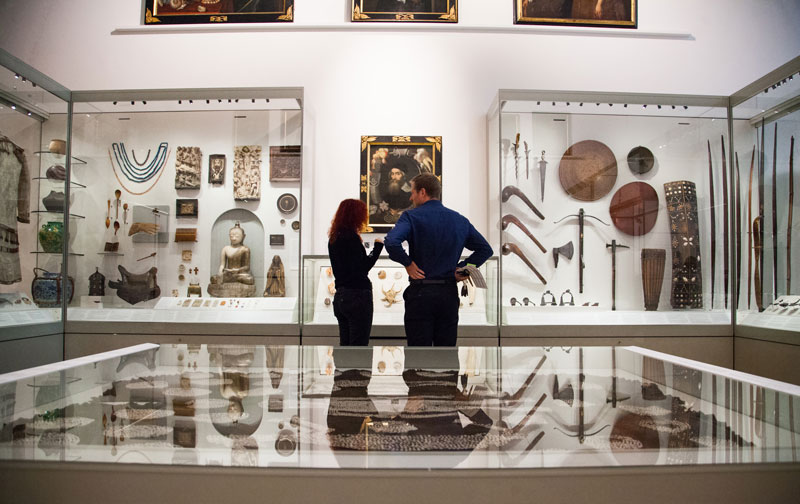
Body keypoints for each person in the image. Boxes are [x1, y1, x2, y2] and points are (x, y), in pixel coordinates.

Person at [384, 173, 492, 346]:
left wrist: (408, 263)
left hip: (420, 294)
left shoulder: (411, 217)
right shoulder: (459, 220)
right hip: (448, 294)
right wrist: (463, 268)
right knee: (446, 353)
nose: (410, 197)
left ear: (422, 192)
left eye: (412, 192)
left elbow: (391, 241)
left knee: (418, 356)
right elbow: (485, 250)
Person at [328, 199, 384, 346]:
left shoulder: (334, 237)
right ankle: (355, 370)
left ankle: (345, 370)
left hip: (341, 296)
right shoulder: (351, 238)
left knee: (345, 345)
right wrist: (378, 247)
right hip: (357, 296)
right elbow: (362, 267)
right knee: (359, 346)